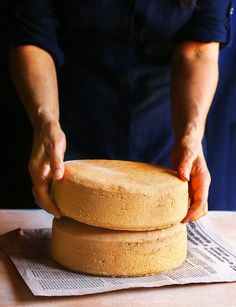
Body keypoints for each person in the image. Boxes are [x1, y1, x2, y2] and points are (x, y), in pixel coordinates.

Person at [7, 0, 233, 220]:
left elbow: (197, 51)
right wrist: (45, 120)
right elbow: (33, 34)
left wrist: (190, 134)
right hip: (65, 120)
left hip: (165, 128)